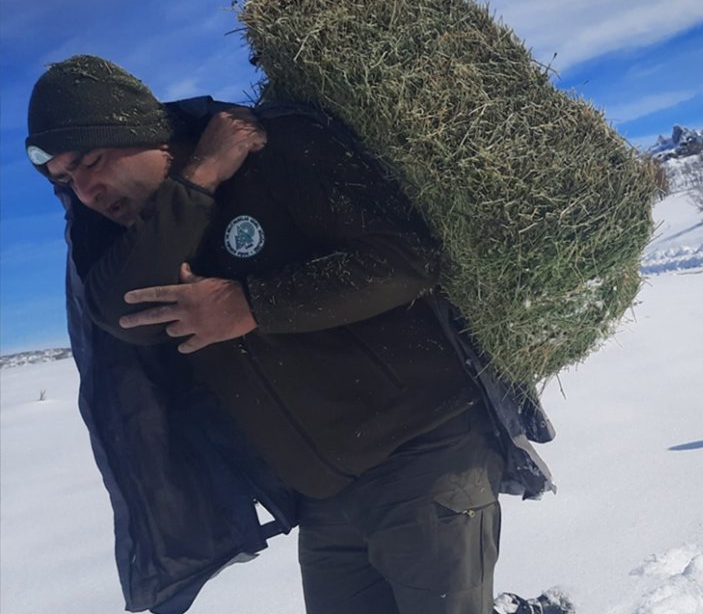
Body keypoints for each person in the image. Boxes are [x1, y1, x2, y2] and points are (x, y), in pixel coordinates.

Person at [26, 55, 553, 614]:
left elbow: (407, 260)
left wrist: (251, 304)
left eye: (93, 160)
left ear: (142, 130)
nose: (86, 190)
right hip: (324, 494)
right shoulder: (145, 240)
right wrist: (200, 177)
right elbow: (119, 310)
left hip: (425, 449)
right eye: (65, 180)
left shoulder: (278, 149)